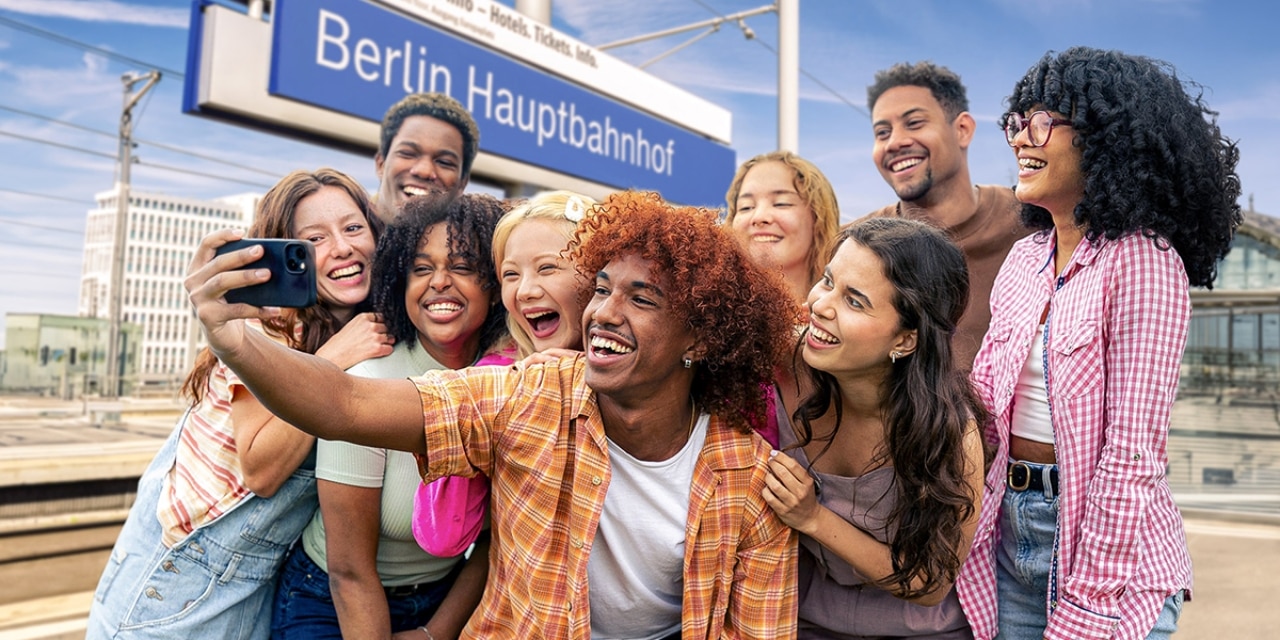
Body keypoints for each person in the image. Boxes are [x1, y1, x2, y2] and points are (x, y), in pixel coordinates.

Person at [187, 190, 800, 639]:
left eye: (641, 298)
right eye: (603, 287)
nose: (604, 312)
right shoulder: (534, 392)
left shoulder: (750, 480)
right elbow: (343, 403)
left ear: (701, 337)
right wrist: (233, 339)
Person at [958, 47, 1241, 640]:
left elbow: (1133, 455)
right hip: (1008, 533)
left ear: (1105, 138)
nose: (1019, 138)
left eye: (1042, 122)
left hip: (1113, 560)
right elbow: (985, 407)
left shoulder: (1143, 261)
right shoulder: (1025, 258)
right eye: (1017, 122)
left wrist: (1090, 601)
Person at [86, 168, 392, 640]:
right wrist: (333, 362)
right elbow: (261, 470)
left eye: (353, 228)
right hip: (178, 578)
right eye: (314, 238)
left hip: (249, 585)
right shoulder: (266, 326)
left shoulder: (359, 327)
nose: (343, 247)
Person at [271, 194, 508, 639]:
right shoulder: (368, 382)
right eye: (421, 269)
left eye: (461, 267)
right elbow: (350, 572)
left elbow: (494, 544)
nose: (439, 282)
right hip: (328, 599)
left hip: (443, 596)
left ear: (495, 284)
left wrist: (436, 632)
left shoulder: (512, 382)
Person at [764, 218, 988, 639]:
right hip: (802, 623)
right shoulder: (783, 364)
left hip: (920, 632)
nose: (821, 305)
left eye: (855, 301)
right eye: (828, 281)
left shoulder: (951, 432)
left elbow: (929, 583)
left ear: (905, 340)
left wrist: (812, 517)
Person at [861, 61, 1026, 369]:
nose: (895, 142)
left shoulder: (1031, 222)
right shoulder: (856, 247)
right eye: (882, 132)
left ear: (962, 129)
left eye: (914, 123)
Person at [725, 150, 841, 309]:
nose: (759, 217)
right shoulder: (704, 321)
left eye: (781, 203)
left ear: (818, 218)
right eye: (746, 207)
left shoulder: (847, 322)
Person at [491, 190, 597, 357]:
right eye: (511, 274)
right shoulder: (496, 378)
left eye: (546, 268)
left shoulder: (648, 377)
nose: (524, 292)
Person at [373, 93, 481, 223]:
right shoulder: (345, 240)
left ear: (462, 184)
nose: (424, 171)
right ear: (381, 164)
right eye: (408, 153)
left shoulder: (480, 241)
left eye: (444, 162)